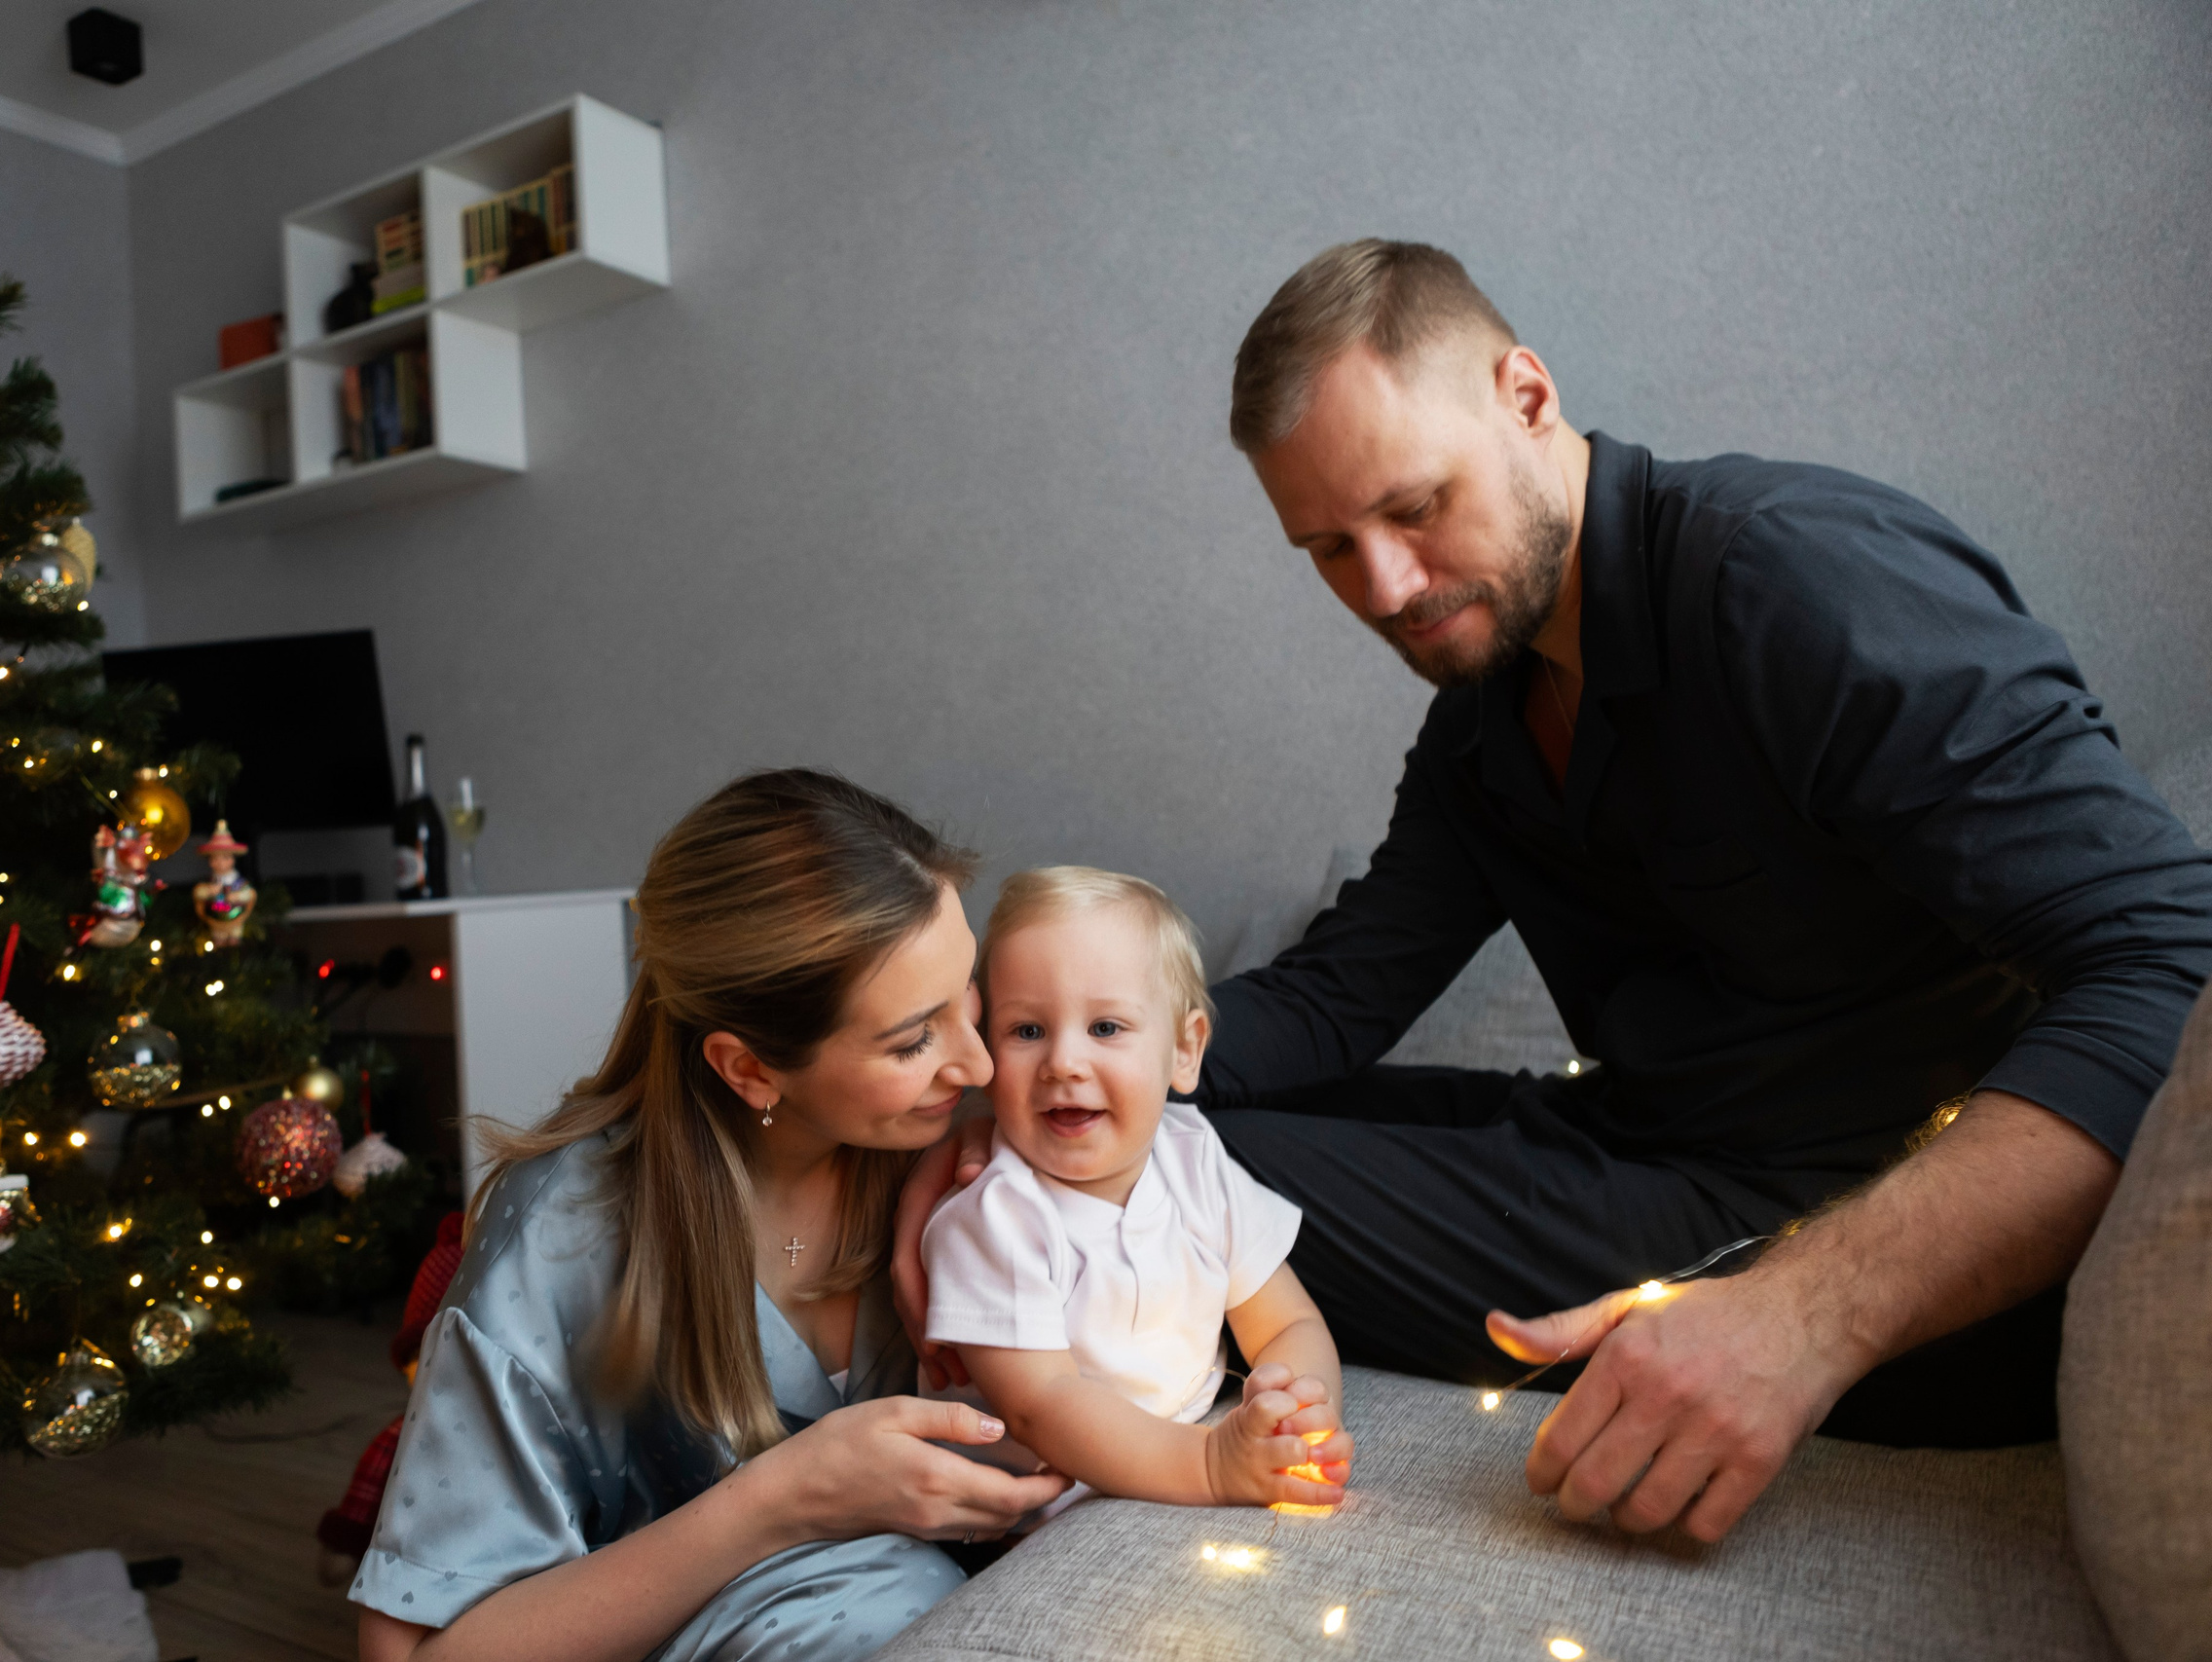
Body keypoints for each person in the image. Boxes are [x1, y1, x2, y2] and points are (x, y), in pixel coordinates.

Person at [900, 239, 2212, 1547]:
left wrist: (1806, 1313)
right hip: (1640, 1135)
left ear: (1526, 393)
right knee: (1113, 1114)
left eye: (1415, 507)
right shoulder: (1487, 712)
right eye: (1331, 548)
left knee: (1162, 1167)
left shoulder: (1801, 583)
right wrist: (1011, 1089)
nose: (1388, 588)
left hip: (1870, 1224)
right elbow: (1339, 993)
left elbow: (2176, 953)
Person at [353, 769, 1067, 1662]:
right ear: (750, 1069)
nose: (981, 1065)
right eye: (912, 1039)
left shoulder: (958, 1157)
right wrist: (783, 1500)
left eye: (968, 993)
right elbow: (413, 1652)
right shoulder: (567, 1234)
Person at [922, 868, 1352, 1516]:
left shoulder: (1193, 1159)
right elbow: (1045, 1404)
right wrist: (1208, 1463)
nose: (1064, 1060)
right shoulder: (996, 1215)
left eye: (1105, 1027)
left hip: (1185, 1444)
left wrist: (1295, 1405)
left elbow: (1288, 1319)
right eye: (1027, 1030)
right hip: (1040, 1506)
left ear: (1185, 1049)